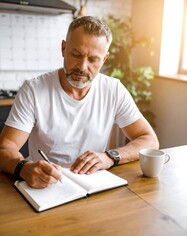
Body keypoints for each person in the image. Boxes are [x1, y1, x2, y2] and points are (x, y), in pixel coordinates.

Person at [0, 16, 159, 189]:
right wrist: (23, 168)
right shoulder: (33, 90)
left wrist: (110, 156)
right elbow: (5, 148)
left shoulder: (113, 89)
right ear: (63, 48)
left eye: (93, 59)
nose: (82, 67)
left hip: (93, 185)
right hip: (45, 186)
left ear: (104, 59)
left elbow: (149, 140)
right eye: (76, 54)